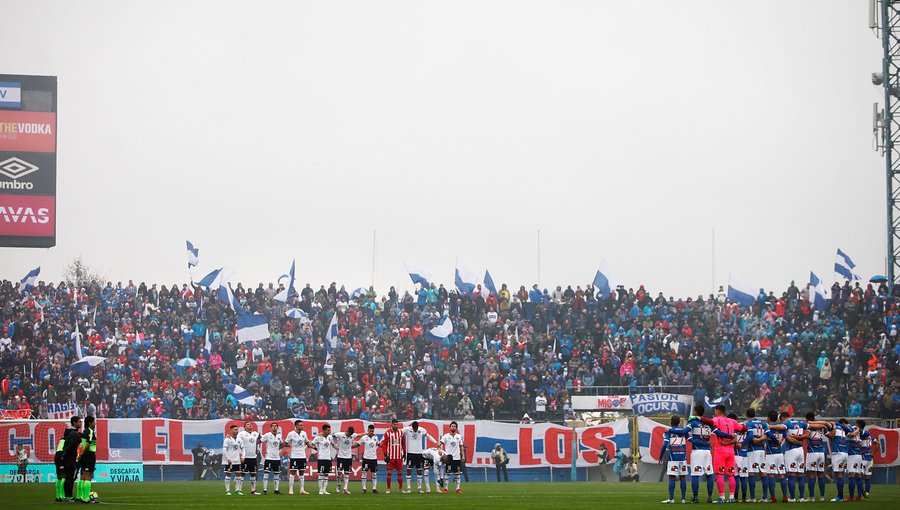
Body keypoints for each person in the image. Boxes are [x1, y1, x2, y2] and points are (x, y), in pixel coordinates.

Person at [659, 415, 690, 503]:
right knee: (682, 477)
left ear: (671, 422)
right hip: (683, 458)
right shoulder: (684, 431)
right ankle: (683, 499)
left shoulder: (668, 431)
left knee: (672, 477)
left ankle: (671, 499)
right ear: (679, 422)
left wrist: (660, 456)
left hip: (673, 458)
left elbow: (665, 445)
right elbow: (690, 440)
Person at [687, 405, 715, 503]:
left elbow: (686, 433)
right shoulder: (708, 423)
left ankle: (695, 498)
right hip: (707, 451)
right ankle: (710, 497)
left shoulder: (693, 422)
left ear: (695, 411)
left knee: (695, 475)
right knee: (709, 474)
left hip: (697, 451)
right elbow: (717, 431)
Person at [403, 421, 436, 493]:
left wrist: (436, 442)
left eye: (416, 428)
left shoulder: (422, 430)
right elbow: (399, 432)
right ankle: (408, 488)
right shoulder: (407, 429)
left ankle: (419, 488)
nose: (415, 430)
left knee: (419, 470)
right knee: (409, 470)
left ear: (418, 427)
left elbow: (428, 436)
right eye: (414, 428)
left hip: (419, 453)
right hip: (410, 453)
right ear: (412, 427)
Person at [763, 411, 789, 503]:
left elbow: (765, 437)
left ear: (768, 417)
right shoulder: (781, 428)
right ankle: (785, 496)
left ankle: (773, 497)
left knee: (771, 475)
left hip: (771, 454)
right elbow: (787, 437)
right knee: (782, 475)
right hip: (780, 453)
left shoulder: (767, 427)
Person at [826, 417, 854, 502]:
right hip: (845, 453)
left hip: (837, 453)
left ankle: (840, 497)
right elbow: (851, 429)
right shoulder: (845, 429)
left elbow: (832, 435)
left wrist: (834, 425)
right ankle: (841, 496)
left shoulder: (833, 426)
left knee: (838, 475)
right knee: (841, 474)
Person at [744, 408, 768, 503]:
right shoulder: (763, 423)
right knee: (763, 472)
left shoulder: (748, 424)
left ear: (746, 414)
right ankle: (765, 497)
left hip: (752, 450)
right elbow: (767, 434)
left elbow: (750, 437)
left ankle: (753, 497)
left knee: (751, 473)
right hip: (762, 450)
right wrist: (760, 440)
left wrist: (743, 443)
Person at [804, 413, 828, 502]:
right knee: (820, 475)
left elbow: (806, 435)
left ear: (807, 419)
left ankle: (811, 497)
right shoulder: (820, 427)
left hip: (812, 453)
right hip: (821, 453)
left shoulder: (809, 426)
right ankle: (822, 497)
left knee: (811, 475)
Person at [75, 416, 98, 503]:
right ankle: (86, 498)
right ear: (90, 423)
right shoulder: (90, 432)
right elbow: (88, 445)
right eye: (93, 422)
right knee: (88, 477)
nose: (94, 423)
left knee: (83, 477)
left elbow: (82, 444)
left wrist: (80, 455)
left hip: (84, 456)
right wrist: (82, 454)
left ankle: (80, 496)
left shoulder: (84, 431)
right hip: (89, 455)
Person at [379, 418, 405, 493]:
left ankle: (400, 489)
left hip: (399, 457)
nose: (396, 426)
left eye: (397, 424)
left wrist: (405, 452)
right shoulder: (387, 433)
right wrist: (385, 455)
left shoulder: (401, 432)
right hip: (391, 457)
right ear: (392, 424)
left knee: (400, 472)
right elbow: (384, 444)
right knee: (389, 473)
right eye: (395, 424)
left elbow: (403, 443)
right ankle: (388, 489)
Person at [283, 420, 309, 495]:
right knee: (292, 472)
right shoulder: (291, 434)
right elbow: (286, 443)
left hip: (302, 456)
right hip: (294, 456)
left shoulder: (304, 433)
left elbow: (307, 443)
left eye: (302, 425)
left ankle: (302, 490)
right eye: (300, 425)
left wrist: (314, 447)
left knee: (301, 473)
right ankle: (291, 490)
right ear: (296, 426)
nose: (302, 426)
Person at [60, 416, 82, 502]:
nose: (81, 423)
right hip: (70, 459)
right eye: (79, 421)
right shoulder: (74, 434)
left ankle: (66, 496)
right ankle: (68, 496)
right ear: (74, 423)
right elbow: (70, 447)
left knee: (68, 477)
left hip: (68, 459)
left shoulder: (70, 433)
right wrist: (65, 456)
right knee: (70, 478)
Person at [332, 426, 358, 494]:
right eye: (349, 434)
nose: (350, 435)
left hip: (348, 458)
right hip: (340, 457)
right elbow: (332, 435)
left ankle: (345, 489)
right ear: (347, 431)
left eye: (351, 435)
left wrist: (367, 433)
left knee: (347, 473)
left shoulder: (353, 435)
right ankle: (338, 485)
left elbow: (360, 434)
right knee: (339, 473)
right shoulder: (340, 435)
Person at [354, 424, 380, 493]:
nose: (371, 432)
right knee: (364, 473)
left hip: (374, 458)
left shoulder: (375, 437)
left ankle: (374, 489)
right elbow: (358, 444)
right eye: (370, 431)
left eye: (372, 431)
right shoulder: (364, 437)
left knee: (374, 474)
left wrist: (385, 446)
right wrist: (351, 447)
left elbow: (378, 444)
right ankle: (364, 489)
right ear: (368, 430)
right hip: (366, 459)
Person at [440, 421, 464, 494]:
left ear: (456, 428)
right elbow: (440, 444)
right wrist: (441, 452)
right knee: (447, 474)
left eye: (455, 426)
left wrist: (463, 455)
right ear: (450, 427)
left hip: (457, 458)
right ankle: (446, 489)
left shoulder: (459, 436)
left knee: (457, 474)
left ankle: (458, 489)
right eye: (452, 426)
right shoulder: (446, 436)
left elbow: (461, 446)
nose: (453, 427)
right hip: (449, 458)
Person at [237, 421, 260, 495]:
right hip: (245, 457)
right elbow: (237, 442)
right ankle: (239, 490)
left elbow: (260, 439)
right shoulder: (241, 434)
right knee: (242, 473)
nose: (249, 425)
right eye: (247, 424)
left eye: (250, 424)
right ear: (244, 427)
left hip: (253, 457)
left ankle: (253, 490)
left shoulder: (255, 434)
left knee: (253, 474)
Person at [311, 423, 335, 495]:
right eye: (328, 430)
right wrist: (317, 449)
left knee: (326, 474)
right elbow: (312, 444)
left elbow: (333, 444)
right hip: (321, 458)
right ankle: (320, 490)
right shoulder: (318, 437)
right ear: (324, 430)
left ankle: (324, 490)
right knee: (321, 474)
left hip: (328, 458)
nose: (329, 431)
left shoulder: (330, 437)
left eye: (330, 430)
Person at [260, 422, 283, 494]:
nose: (274, 427)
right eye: (273, 426)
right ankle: (265, 490)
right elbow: (260, 441)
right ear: (271, 428)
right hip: (269, 458)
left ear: (277, 427)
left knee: (277, 474)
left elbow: (281, 444)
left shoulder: (279, 436)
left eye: (276, 426)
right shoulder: (267, 435)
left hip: (277, 458)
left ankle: (276, 490)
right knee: (266, 474)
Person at [223, 425, 244, 496]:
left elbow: (243, 448)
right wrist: (228, 458)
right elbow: (224, 449)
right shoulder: (227, 439)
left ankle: (237, 490)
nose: (236, 431)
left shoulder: (239, 439)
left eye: (237, 430)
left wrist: (243, 456)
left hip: (237, 461)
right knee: (228, 475)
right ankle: (227, 490)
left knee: (238, 475)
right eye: (235, 429)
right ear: (231, 430)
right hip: (230, 461)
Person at [857, 420, 873, 500]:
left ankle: (861, 494)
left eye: (856, 425)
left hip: (863, 458)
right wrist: (873, 453)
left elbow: (859, 444)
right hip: (869, 458)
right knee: (867, 477)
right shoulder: (869, 435)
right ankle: (867, 494)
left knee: (859, 476)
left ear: (858, 425)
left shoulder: (862, 433)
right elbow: (877, 444)